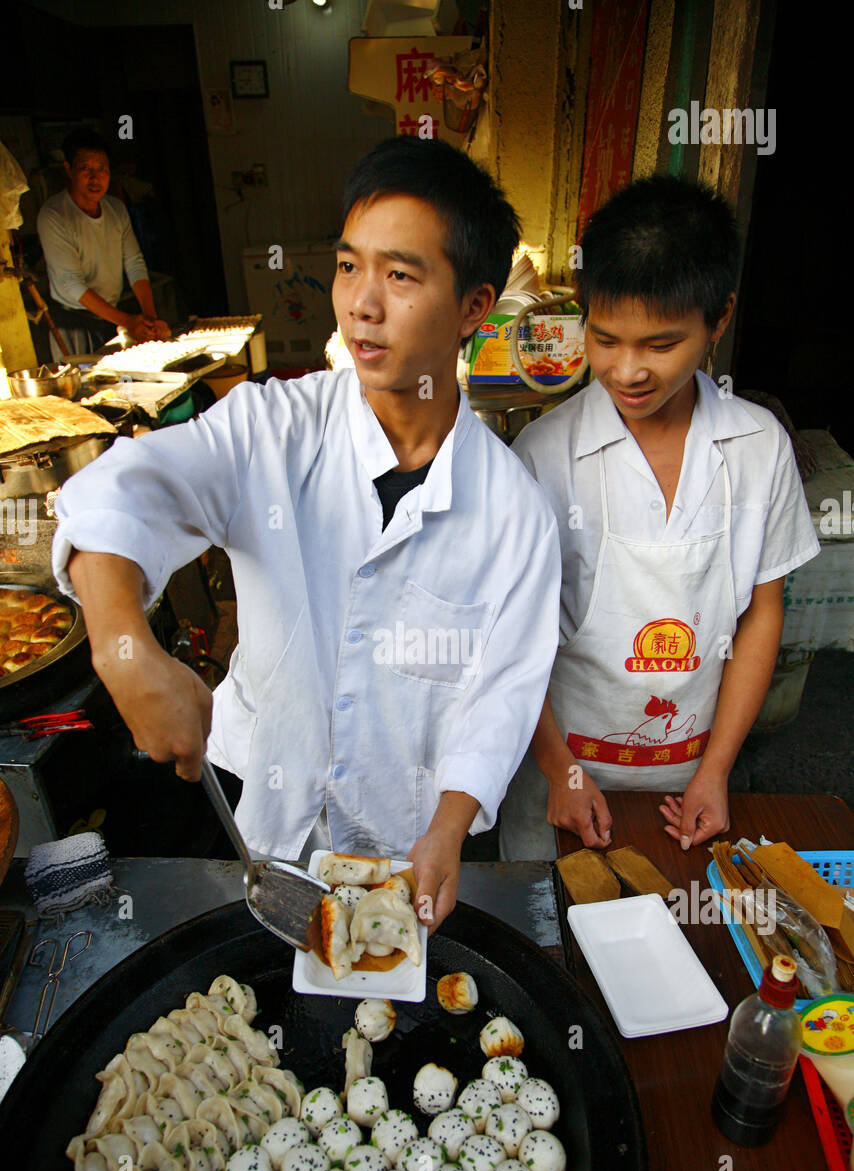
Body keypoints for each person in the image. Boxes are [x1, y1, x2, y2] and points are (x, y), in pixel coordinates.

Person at [52, 136, 561, 932]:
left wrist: (451, 826)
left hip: (407, 845)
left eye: (399, 275)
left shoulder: (515, 514)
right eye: (350, 265)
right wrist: (123, 646)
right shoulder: (272, 426)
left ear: (473, 306)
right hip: (257, 819)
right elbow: (126, 490)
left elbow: (503, 696)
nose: (361, 301)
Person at [499, 175, 820, 859]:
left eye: (660, 344)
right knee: (552, 942)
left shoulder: (757, 448)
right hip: (559, 776)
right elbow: (506, 634)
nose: (627, 370)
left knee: (681, 938)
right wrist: (562, 769)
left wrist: (716, 769)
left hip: (687, 785)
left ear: (720, 317)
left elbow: (762, 614)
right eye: (606, 338)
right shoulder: (543, 455)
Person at [36, 127, 169, 359]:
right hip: (73, 323)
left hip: (110, 317)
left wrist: (150, 319)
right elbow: (71, 284)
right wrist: (128, 321)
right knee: (86, 391)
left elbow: (134, 263)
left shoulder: (115, 209)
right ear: (68, 169)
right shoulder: (54, 215)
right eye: (86, 169)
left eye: (102, 169)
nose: (95, 178)